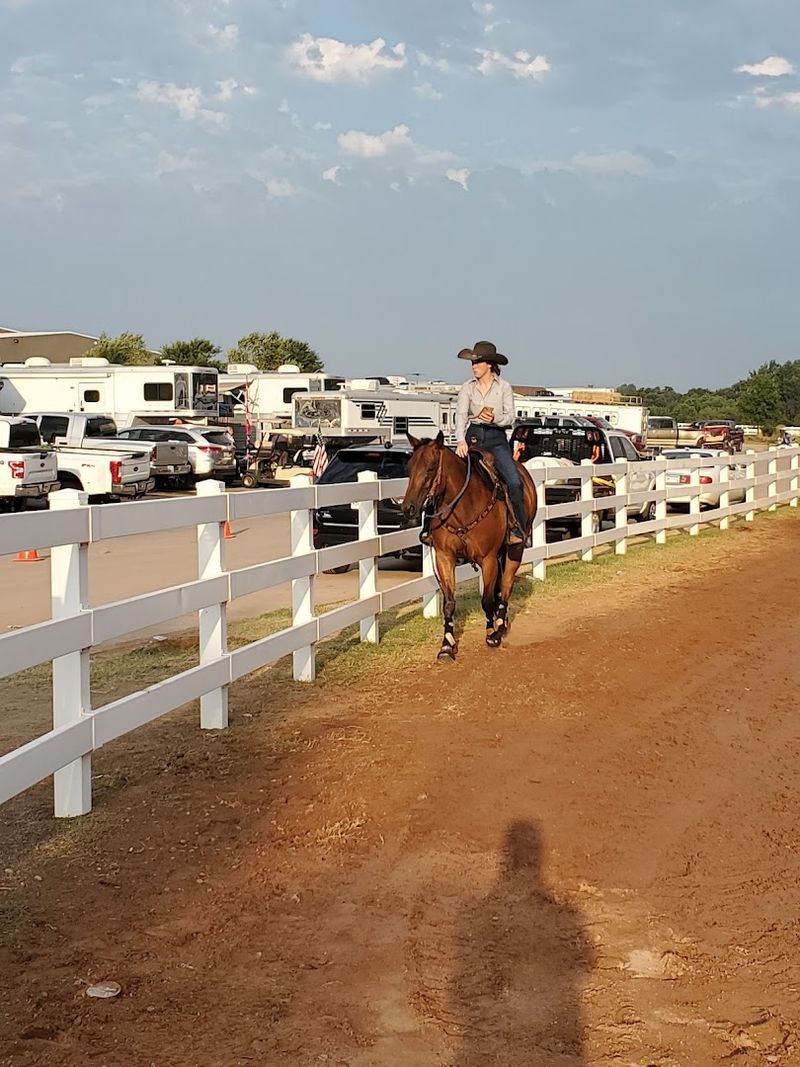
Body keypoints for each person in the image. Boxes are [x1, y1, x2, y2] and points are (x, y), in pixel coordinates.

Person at [455, 340, 526, 545]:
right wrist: (461, 440)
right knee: (449, 475)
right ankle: (433, 527)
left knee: (513, 480)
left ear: (489, 365)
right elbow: (461, 415)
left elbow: (510, 416)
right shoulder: (467, 388)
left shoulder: (504, 387)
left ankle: (518, 528)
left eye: (477, 363)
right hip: (473, 436)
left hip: (496, 438)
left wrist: (495, 419)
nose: (473, 366)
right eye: (473, 363)